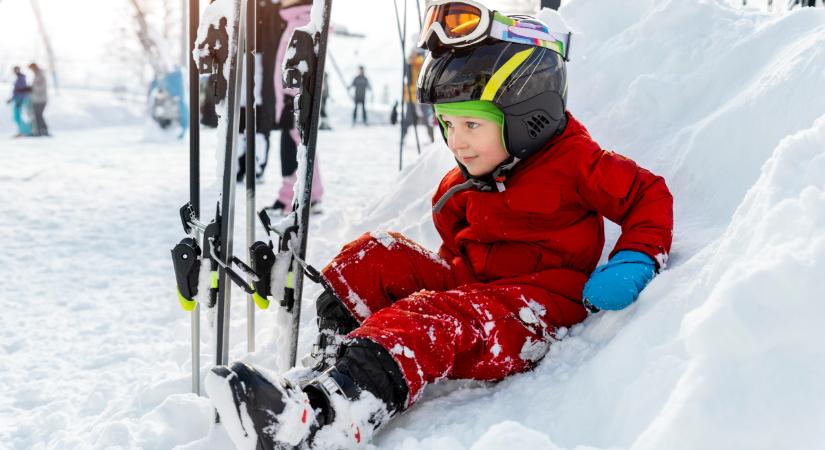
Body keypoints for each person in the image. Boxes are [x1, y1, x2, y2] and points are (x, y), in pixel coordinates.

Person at [205, 5, 673, 449]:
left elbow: (647, 194)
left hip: (538, 306)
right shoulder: (463, 182)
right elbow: (453, 245)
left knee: (431, 317)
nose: (457, 142)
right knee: (374, 255)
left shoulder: (577, 161)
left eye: (472, 124)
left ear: (531, 115)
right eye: (448, 125)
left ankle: (334, 417)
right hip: (476, 288)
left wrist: (635, 257)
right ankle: (334, 365)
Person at [7, 66, 32, 137]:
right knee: (16, 117)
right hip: (17, 99)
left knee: (19, 116)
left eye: (16, 70)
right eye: (14, 70)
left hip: (20, 100)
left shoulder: (22, 78)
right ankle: (22, 131)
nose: (15, 71)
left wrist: (20, 100)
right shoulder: (18, 79)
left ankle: (25, 131)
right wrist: (11, 99)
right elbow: (16, 91)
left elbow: (22, 90)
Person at [27, 63, 49, 137]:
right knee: (36, 116)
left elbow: (42, 87)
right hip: (36, 99)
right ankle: (39, 130)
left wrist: (32, 88)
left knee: (39, 115)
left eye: (31, 68)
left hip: (41, 99)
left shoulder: (40, 75)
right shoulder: (36, 75)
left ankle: (44, 130)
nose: (31, 70)